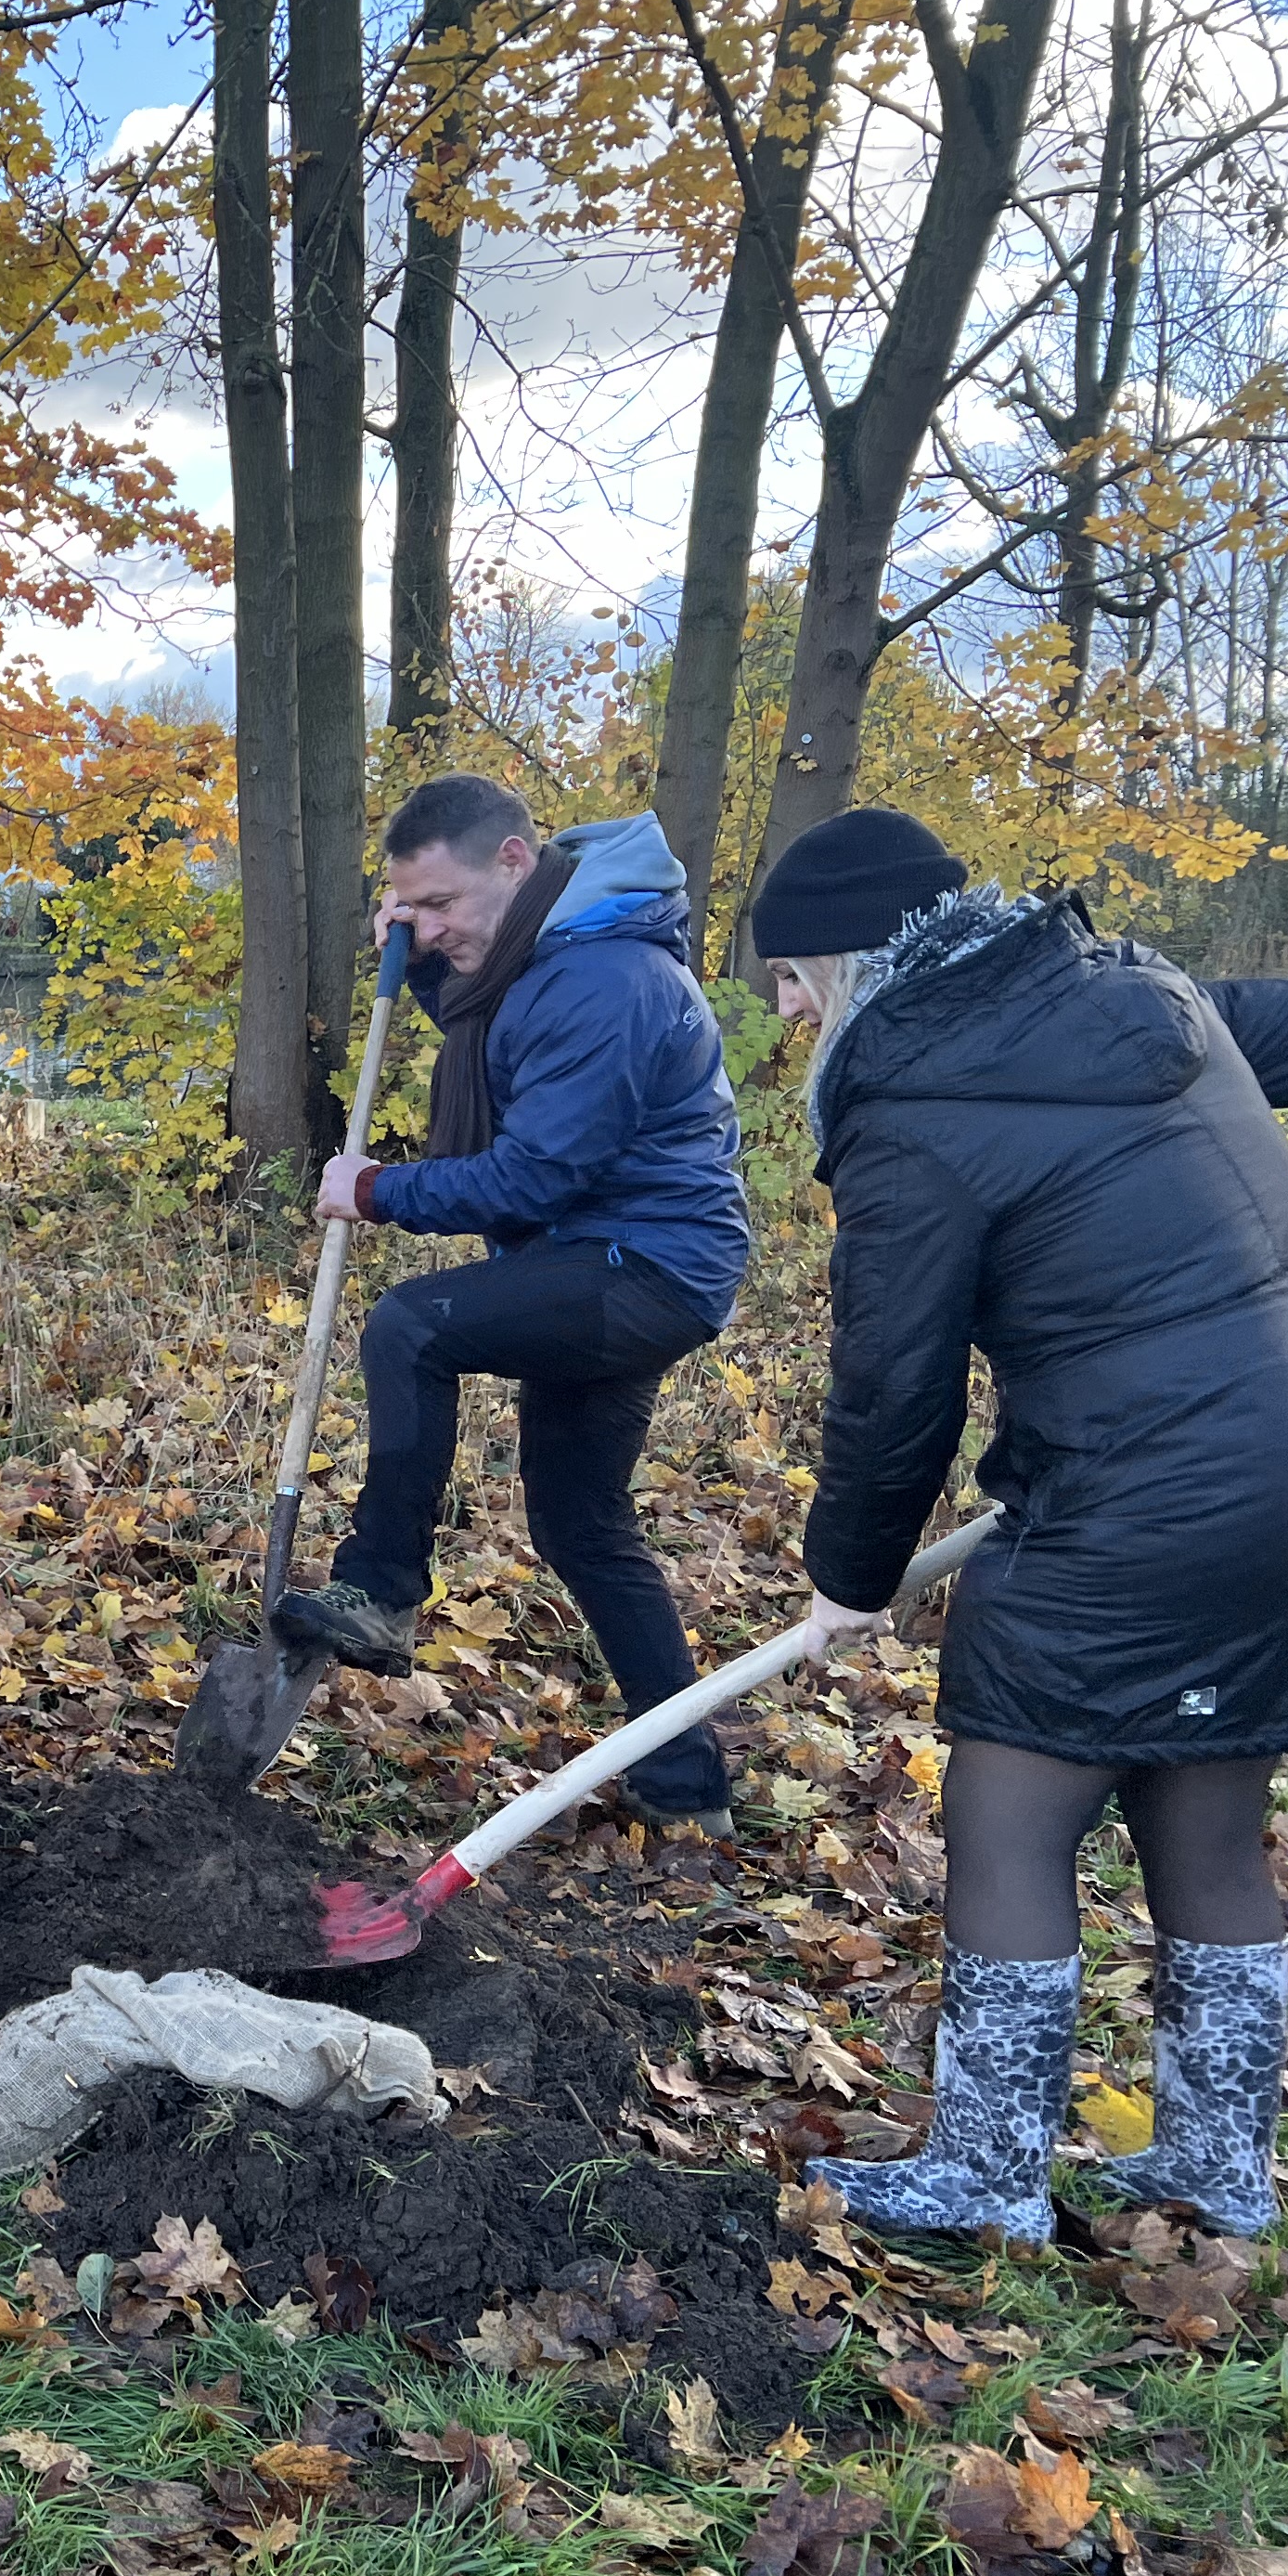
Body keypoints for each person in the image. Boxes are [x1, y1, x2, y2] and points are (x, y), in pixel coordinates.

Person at [762, 808, 1288, 2243]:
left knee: (1011, 1801)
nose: (793, 1014)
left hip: (1168, 1489)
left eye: (793, 980)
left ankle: (987, 2179)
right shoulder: (1140, 992)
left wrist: (849, 1579)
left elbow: (892, 1388)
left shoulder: (913, 1109)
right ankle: (1218, 2172)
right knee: (1209, 1809)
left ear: (855, 964)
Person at [277, 774, 753, 1827]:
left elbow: (534, 1176)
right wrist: (416, 953)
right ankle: (688, 1791)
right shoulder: (547, 959)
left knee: (412, 1326)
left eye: (441, 905)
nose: (430, 927)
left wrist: (378, 1189)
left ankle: (384, 1584)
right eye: (412, 908)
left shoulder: (606, 980)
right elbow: (495, 1040)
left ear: (514, 860)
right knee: (583, 1528)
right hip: (608, 1264)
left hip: (640, 1265)